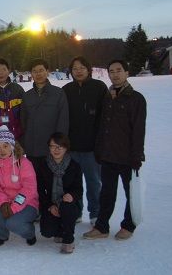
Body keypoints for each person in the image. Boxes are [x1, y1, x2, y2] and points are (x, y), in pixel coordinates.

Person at [83, 59, 147, 241]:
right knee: (107, 193)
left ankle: (128, 225)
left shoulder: (135, 99)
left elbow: (138, 129)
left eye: (119, 70)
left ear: (127, 73)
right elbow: (102, 126)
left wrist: (137, 155)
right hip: (108, 155)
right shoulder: (108, 98)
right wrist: (99, 148)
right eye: (111, 71)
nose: (115, 74)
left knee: (130, 193)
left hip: (127, 156)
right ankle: (102, 226)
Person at [62, 56, 108, 225]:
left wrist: (101, 142)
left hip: (91, 147)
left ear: (88, 69)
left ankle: (95, 213)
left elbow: (105, 117)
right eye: (75, 68)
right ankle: (76, 210)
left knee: (93, 182)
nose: (78, 71)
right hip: (72, 147)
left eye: (82, 67)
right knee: (73, 183)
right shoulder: (67, 89)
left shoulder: (99, 88)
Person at [20, 58, 69, 190]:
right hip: (32, 149)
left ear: (47, 72)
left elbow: (63, 120)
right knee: (34, 184)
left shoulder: (58, 93)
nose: (38, 74)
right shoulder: (27, 96)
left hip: (51, 149)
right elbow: (23, 122)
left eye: (41, 70)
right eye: (34, 71)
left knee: (52, 184)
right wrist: (24, 143)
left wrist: (59, 144)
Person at [0, 125, 38, 247]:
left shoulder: (24, 163)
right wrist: (3, 202)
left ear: (12, 146)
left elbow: (29, 189)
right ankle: (2, 234)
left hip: (27, 203)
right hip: (6, 201)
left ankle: (30, 233)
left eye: (5, 146)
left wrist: (14, 207)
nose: (2, 150)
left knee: (12, 224)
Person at [39, 132, 83, 254]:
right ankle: (59, 231)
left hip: (69, 206)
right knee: (46, 232)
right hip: (51, 204)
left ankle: (69, 239)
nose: (56, 150)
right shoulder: (43, 166)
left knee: (66, 205)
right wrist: (49, 206)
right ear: (49, 147)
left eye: (60, 147)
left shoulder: (74, 166)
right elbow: (40, 190)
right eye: (53, 146)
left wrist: (72, 195)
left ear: (66, 148)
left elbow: (79, 189)